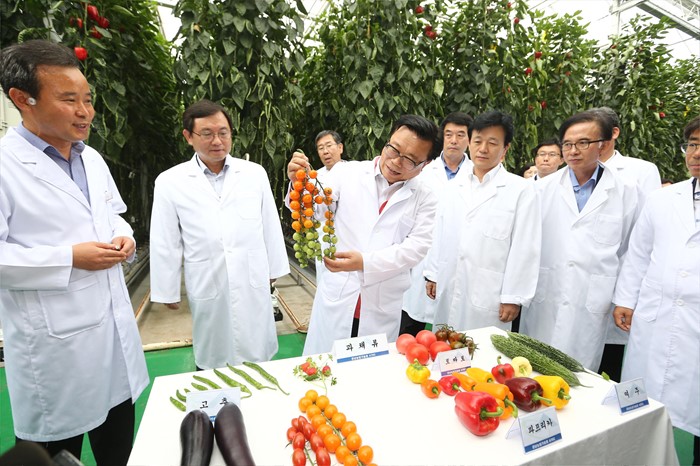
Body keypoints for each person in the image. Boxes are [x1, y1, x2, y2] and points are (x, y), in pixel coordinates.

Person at [0, 40, 148, 464]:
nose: (85, 112)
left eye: (87, 99)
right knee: (59, 454)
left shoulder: (92, 159)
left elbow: (112, 214)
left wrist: (123, 236)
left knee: (118, 447)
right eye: (69, 100)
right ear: (22, 99)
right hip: (55, 349)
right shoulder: (6, 166)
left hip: (112, 337)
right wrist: (68, 258)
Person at [150, 99, 289, 370]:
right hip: (207, 277)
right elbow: (165, 240)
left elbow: (270, 223)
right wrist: (167, 289)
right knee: (214, 359)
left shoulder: (254, 174)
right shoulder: (170, 181)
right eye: (207, 134)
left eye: (223, 132)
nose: (217, 141)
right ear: (188, 136)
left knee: (258, 355)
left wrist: (274, 268)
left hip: (251, 275)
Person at [287, 115, 440, 355]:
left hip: (381, 303)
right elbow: (317, 210)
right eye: (393, 149)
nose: (396, 162)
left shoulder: (425, 197)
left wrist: (365, 263)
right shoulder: (347, 173)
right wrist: (299, 183)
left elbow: (416, 248)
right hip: (338, 293)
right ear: (387, 141)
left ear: (425, 164)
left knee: (368, 369)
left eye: (410, 160)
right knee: (325, 366)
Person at [520, 110, 639, 372]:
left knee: (580, 374)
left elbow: (630, 251)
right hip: (546, 292)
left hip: (592, 296)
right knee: (533, 371)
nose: (573, 151)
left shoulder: (625, 191)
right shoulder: (541, 189)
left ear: (603, 145)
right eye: (568, 144)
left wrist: (625, 298)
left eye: (583, 143)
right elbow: (525, 245)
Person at [613, 116, 700, 463]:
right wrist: (625, 299)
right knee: (645, 402)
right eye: (692, 145)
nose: (696, 153)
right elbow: (638, 254)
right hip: (657, 313)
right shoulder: (662, 199)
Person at [424, 110, 541, 332]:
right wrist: (433, 273)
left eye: (492, 143)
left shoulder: (521, 190)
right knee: (444, 344)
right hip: (450, 282)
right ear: (470, 143)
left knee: (483, 347)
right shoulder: (453, 187)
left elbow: (525, 247)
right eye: (477, 141)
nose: (483, 149)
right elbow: (439, 232)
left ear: (505, 149)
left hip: (490, 293)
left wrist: (513, 296)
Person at [590, 107, 662, 381]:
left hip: (621, 279)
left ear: (614, 133)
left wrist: (629, 293)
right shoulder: (572, 170)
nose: (590, 143)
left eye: (596, 136)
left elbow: (645, 237)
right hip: (581, 282)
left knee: (611, 364)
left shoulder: (640, 171)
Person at [400, 112, 473, 336]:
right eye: (449, 134)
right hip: (420, 257)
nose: (453, 140)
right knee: (410, 326)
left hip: (456, 261)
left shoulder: (475, 175)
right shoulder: (423, 170)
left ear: (469, 139)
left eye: (460, 135)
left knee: (451, 332)